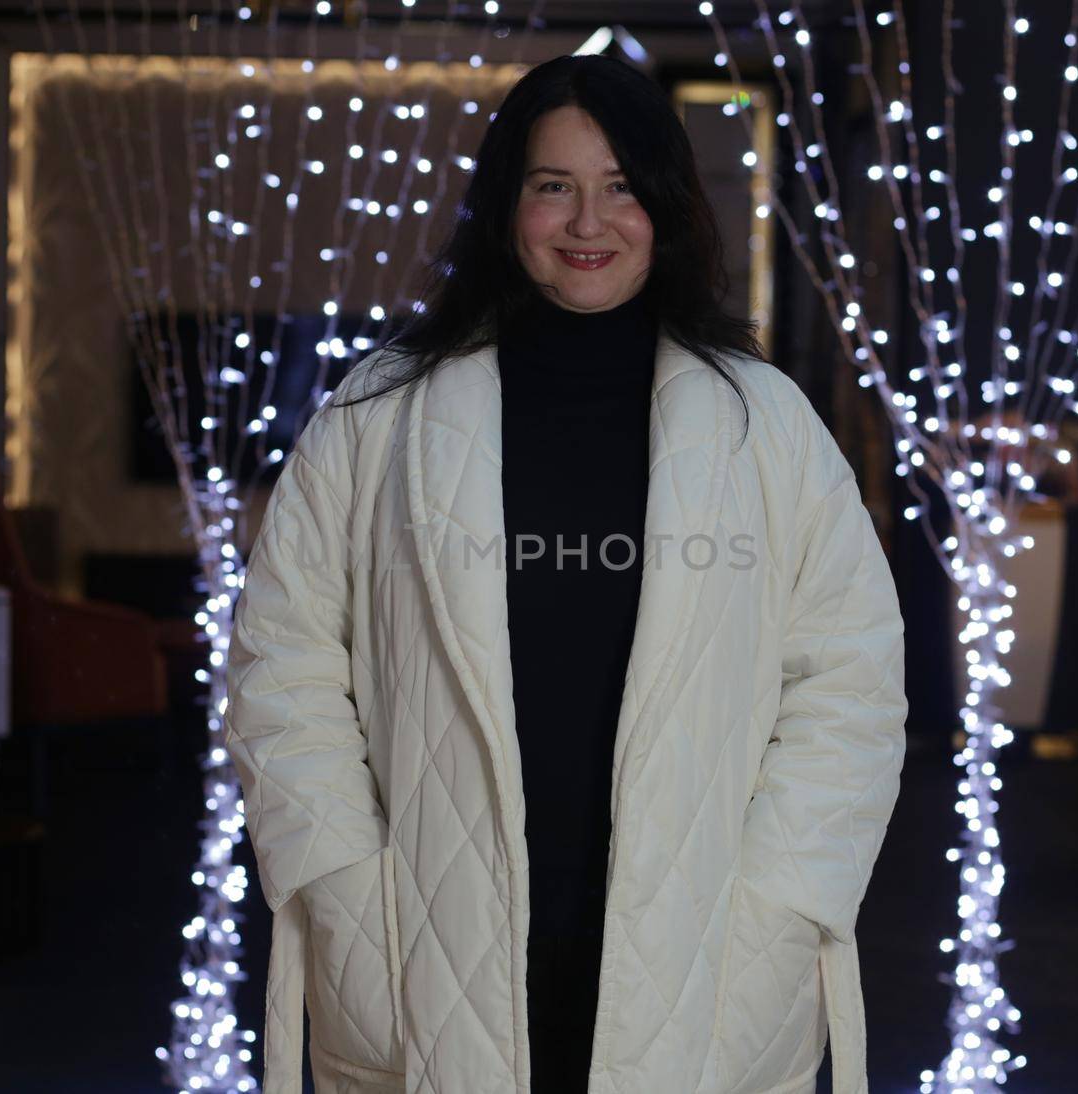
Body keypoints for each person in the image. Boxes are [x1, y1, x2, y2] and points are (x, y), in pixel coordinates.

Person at [225, 53, 907, 1094]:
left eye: (621, 186)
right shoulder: (378, 416)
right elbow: (284, 661)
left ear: (667, 206)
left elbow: (849, 683)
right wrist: (340, 877)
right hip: (428, 937)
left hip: (702, 945)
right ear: (508, 204)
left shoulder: (762, 423)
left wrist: (782, 897)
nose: (588, 222)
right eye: (554, 186)